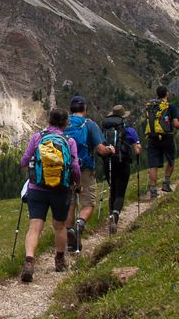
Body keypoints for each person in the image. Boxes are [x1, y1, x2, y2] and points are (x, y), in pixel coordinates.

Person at [19, 107, 81, 283]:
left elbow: (24, 160)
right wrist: (76, 182)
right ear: (65, 123)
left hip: (37, 188)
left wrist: (30, 170)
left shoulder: (38, 137)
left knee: (35, 227)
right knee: (59, 226)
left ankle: (29, 261)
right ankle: (60, 261)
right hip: (60, 190)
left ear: (49, 120)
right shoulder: (69, 141)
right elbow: (75, 167)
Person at [64, 95, 113, 249]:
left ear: (71, 109)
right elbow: (101, 150)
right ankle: (80, 224)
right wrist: (110, 149)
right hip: (85, 169)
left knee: (70, 203)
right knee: (88, 203)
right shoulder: (89, 124)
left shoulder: (63, 124)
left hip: (65, 170)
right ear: (84, 108)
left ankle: (69, 233)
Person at [101, 104, 141, 234]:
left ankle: (111, 215)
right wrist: (138, 147)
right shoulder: (129, 131)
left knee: (112, 189)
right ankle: (115, 215)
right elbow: (136, 150)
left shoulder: (105, 130)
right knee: (120, 192)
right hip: (123, 163)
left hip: (108, 163)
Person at [144, 86, 179, 198]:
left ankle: (153, 191)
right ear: (166, 94)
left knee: (153, 164)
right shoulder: (170, 107)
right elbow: (176, 124)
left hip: (152, 137)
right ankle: (166, 184)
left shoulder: (151, 106)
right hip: (166, 137)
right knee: (171, 160)